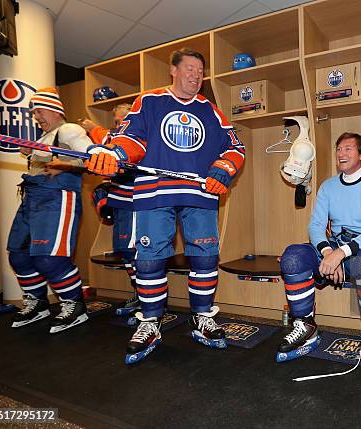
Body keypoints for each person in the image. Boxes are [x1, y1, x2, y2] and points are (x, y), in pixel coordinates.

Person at [85, 48, 245, 364]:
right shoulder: (150, 102)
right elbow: (132, 139)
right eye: (189, 68)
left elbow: (235, 148)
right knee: (148, 260)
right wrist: (116, 155)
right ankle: (151, 322)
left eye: (200, 71)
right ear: (173, 71)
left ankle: (202, 317)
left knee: (205, 257)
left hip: (199, 193)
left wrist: (222, 169)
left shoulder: (211, 111)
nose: (195, 75)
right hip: (154, 193)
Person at [278, 132, 361, 387]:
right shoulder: (328, 186)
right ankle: (306, 326)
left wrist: (341, 254)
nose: (341, 154)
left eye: (348, 149)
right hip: (333, 249)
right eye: (338, 149)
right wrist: (327, 253)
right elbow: (316, 226)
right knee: (292, 258)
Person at [8, 87, 93, 333]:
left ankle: (74, 305)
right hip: (32, 199)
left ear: (55, 110)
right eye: (34, 113)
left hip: (58, 198)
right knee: (19, 255)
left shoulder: (69, 129)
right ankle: (38, 303)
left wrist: (65, 165)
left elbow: (91, 158)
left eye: (39, 111)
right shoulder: (42, 139)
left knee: (50, 258)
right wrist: (32, 152)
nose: (36, 117)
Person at [81, 104, 139, 317]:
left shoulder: (134, 137)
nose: (117, 125)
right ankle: (140, 293)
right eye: (115, 121)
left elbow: (110, 139)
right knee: (124, 253)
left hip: (135, 203)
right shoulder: (117, 141)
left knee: (134, 253)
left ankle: (148, 298)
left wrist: (92, 127)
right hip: (121, 202)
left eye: (121, 120)